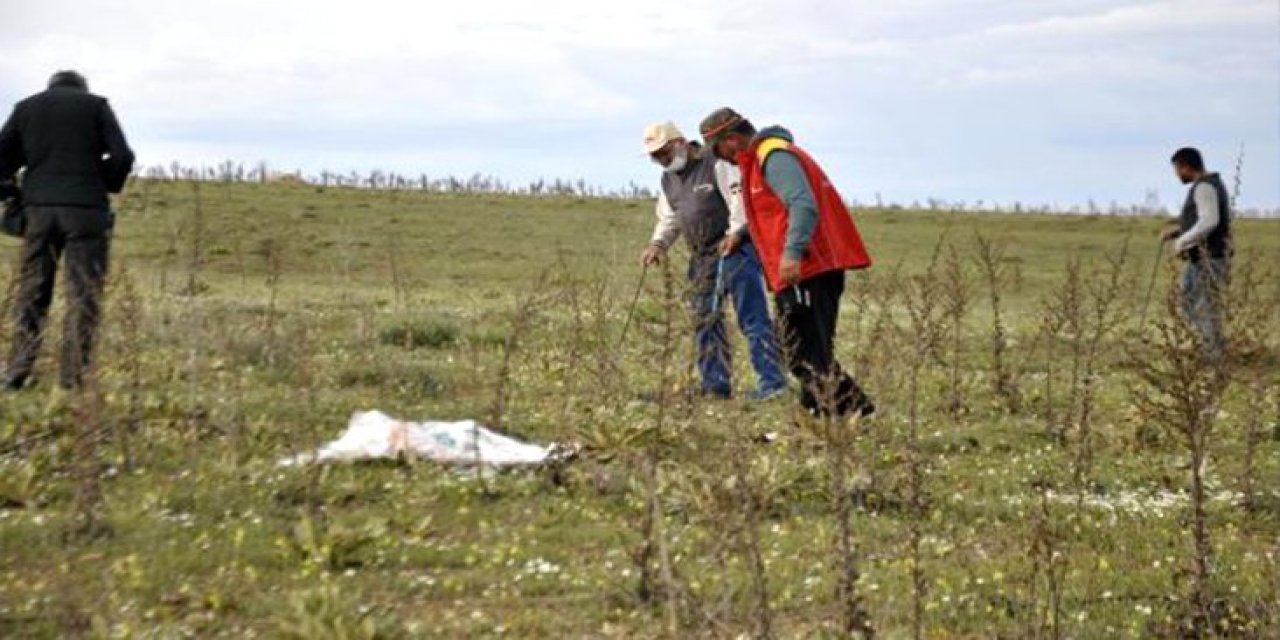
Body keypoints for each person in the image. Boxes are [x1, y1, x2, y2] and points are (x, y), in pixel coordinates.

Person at [699, 108, 874, 417]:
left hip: (809, 267)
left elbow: (802, 205)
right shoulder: (759, 162)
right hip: (799, 269)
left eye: (716, 149)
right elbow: (772, 213)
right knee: (798, 349)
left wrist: (792, 254)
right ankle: (824, 414)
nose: (717, 158)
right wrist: (741, 234)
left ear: (732, 139)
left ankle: (850, 413)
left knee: (806, 351)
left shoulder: (774, 157)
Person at [0, 70, 135, 390]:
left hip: (38, 212)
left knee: (32, 292)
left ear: (51, 87)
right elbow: (122, 155)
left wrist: (10, 193)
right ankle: (73, 379)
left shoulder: (26, 108)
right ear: (82, 88)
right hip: (86, 212)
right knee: (83, 293)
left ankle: (17, 372)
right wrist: (102, 180)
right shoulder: (96, 106)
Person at [640, 121, 788, 401]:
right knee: (704, 319)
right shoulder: (668, 180)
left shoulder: (716, 162)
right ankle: (715, 385)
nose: (661, 160)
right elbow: (670, 217)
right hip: (701, 256)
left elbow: (739, 200)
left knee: (752, 318)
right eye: (655, 156)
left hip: (736, 250)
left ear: (680, 144)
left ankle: (773, 384)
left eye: (663, 153)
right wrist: (658, 244)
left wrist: (736, 233)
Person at [1161, 147, 1232, 360]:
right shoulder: (1213, 184)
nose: (1176, 175)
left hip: (1209, 259)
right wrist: (1178, 232)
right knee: (1190, 303)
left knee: (1203, 307)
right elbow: (1204, 221)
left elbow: (1209, 221)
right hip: (1203, 257)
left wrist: (1182, 242)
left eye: (1177, 169)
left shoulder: (1204, 187)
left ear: (1185, 166)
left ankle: (1215, 357)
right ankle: (1211, 350)